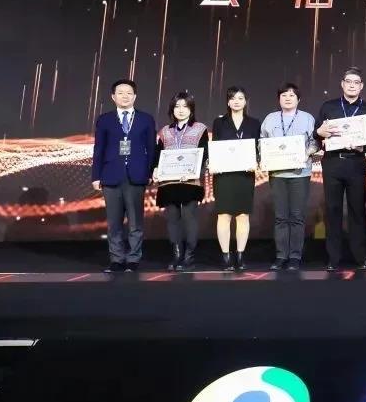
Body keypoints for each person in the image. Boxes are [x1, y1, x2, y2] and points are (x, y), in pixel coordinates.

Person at [315, 66, 366, 271]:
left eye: (356, 82)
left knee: (357, 210)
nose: (352, 85)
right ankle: (333, 258)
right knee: (332, 210)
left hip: (356, 163)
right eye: (348, 82)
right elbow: (317, 134)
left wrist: (364, 146)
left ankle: (360, 257)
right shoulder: (329, 107)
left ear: (361, 86)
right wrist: (319, 132)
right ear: (342, 84)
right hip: (333, 163)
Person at [91, 78, 156, 273]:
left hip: (137, 176)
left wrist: (150, 172)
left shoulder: (146, 119)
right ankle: (116, 259)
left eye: (129, 93)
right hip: (111, 175)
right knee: (114, 223)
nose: (125, 96)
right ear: (113, 97)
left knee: (136, 222)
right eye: (120, 93)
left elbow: (151, 149)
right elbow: (99, 149)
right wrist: (96, 176)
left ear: (135, 96)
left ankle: (134, 259)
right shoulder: (104, 119)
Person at [261, 83, 317, 271]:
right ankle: (280, 256)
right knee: (281, 217)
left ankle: (295, 256)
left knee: (297, 216)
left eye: (292, 95)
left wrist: (307, 153)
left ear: (298, 99)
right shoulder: (270, 119)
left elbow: (315, 142)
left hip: (300, 174)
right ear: (279, 99)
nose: (287, 98)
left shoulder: (307, 118)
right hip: (277, 174)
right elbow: (262, 142)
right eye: (284, 95)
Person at [154, 91, 209, 271]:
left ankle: (189, 256)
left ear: (191, 109)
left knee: (189, 218)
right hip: (169, 182)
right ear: (172, 109)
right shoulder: (165, 131)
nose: (181, 110)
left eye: (185, 106)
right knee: (172, 220)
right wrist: (155, 169)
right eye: (177, 106)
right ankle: (177, 255)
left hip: (190, 182)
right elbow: (158, 154)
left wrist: (192, 171)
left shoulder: (200, 129)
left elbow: (204, 153)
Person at [211, 86, 262, 271]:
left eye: (240, 98)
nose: (236, 101)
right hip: (224, 175)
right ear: (228, 101)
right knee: (224, 215)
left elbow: (258, 148)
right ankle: (225, 256)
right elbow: (215, 146)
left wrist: (256, 161)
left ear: (245, 101)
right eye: (233, 98)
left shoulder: (254, 123)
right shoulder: (219, 122)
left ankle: (240, 255)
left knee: (242, 215)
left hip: (245, 175)